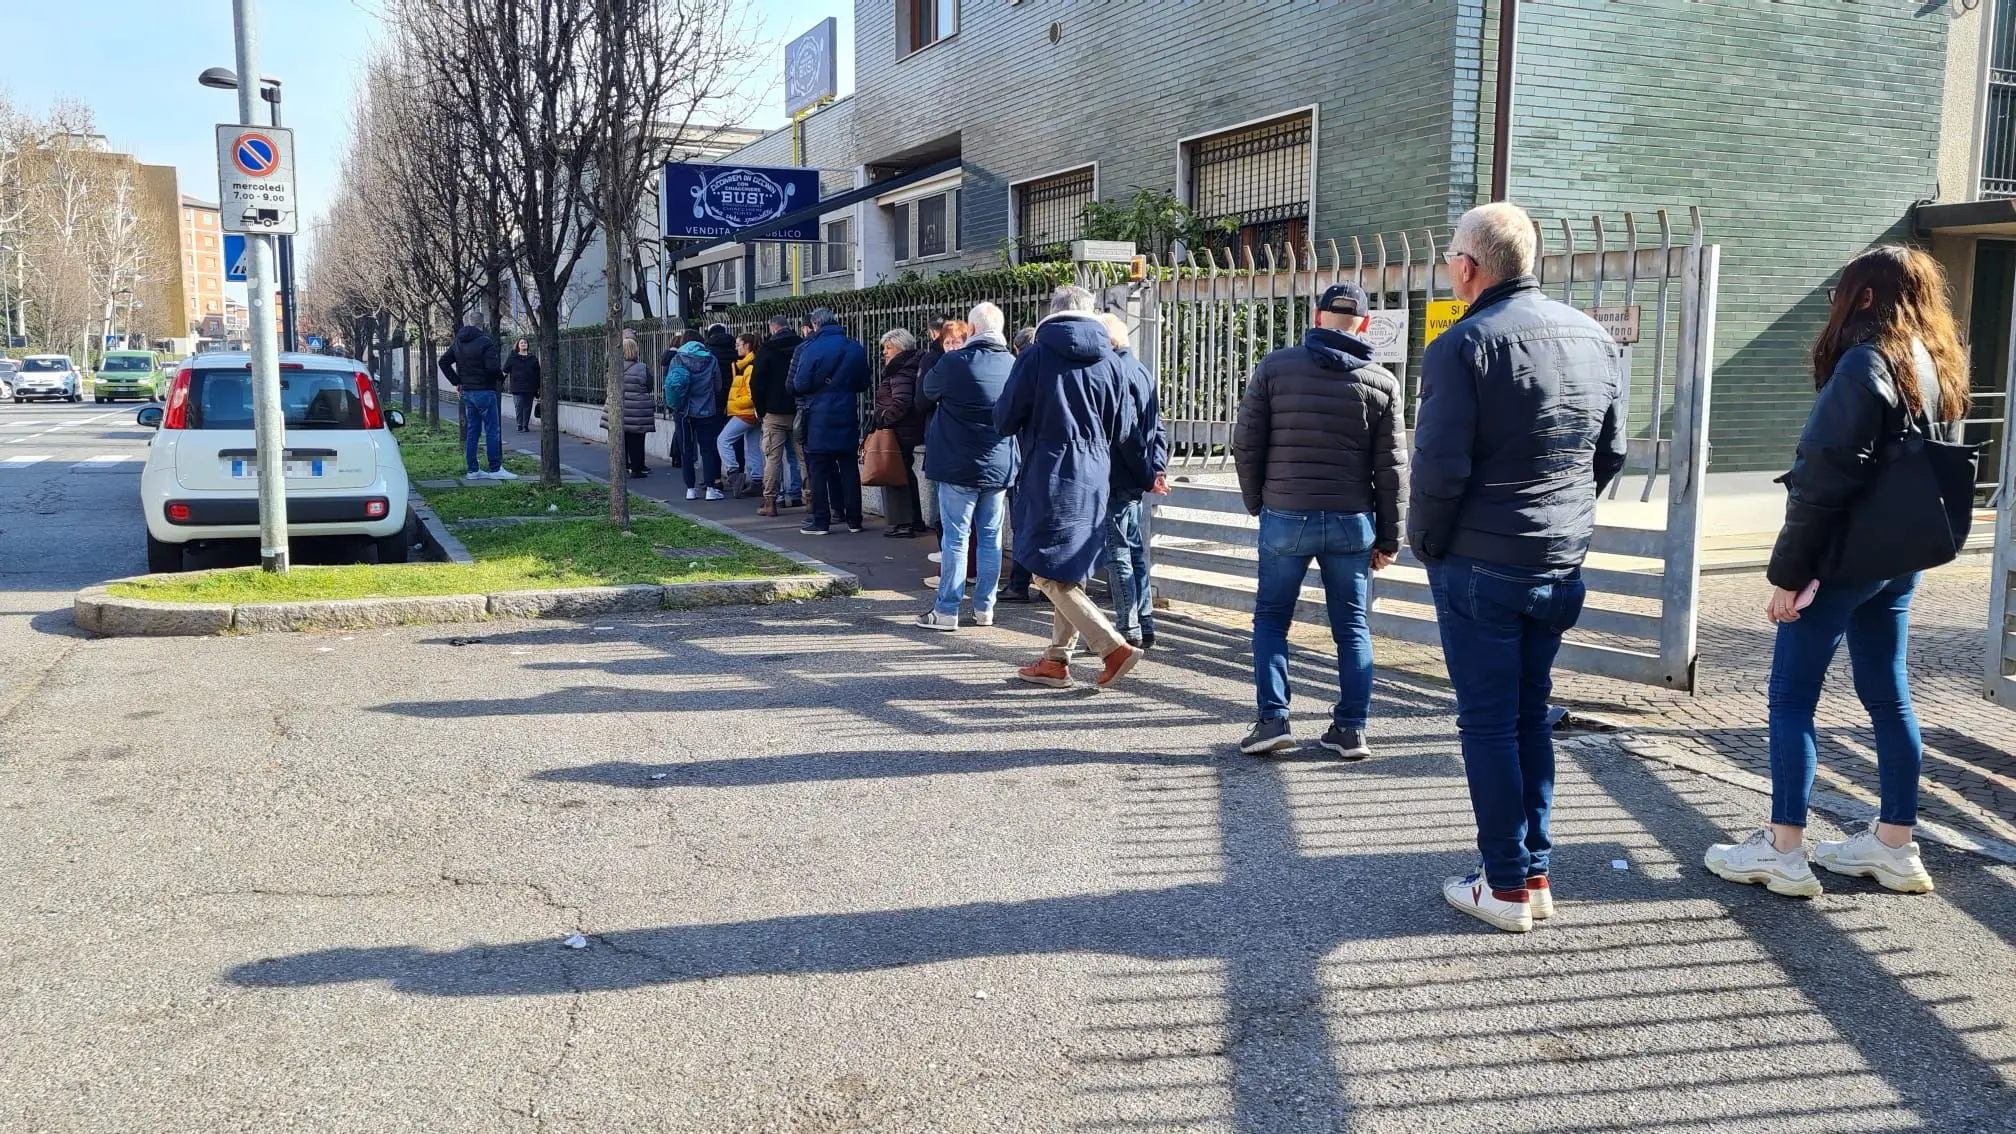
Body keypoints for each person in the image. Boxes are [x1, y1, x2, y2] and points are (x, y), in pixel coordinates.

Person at [1705, 246, 1970, 899]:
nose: (1833, 304)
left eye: (1840, 291)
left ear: (1868, 297)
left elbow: (1824, 478)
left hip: (1846, 557)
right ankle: (1894, 846)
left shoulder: (1864, 363)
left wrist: (1790, 574)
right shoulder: (1933, 364)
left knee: (1792, 696)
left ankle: (1783, 850)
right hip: (1901, 556)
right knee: (1889, 695)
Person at [1411, 201, 1626, 934]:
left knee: (1489, 723)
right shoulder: (1594, 336)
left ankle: (1503, 884)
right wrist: (1563, 521)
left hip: (1481, 561)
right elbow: (1610, 455)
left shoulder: (1463, 344)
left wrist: (1428, 542)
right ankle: (1531, 870)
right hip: (1557, 559)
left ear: (1467, 268)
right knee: (1530, 712)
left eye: (1450, 259)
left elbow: (1438, 468)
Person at [1231, 281, 1407, 760]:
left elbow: (1247, 444)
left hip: (1286, 513)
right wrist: (1390, 537)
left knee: (1271, 618)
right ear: (1366, 323)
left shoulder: (1274, 367)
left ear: (1316, 316)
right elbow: (1391, 469)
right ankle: (1350, 730)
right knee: (1351, 626)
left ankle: (1273, 720)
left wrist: (1258, 502)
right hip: (1352, 521)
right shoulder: (1382, 382)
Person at [996, 285, 1145, 690]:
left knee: (1042, 566)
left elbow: (1005, 418)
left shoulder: (1036, 356)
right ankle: (1056, 660)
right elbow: (1125, 427)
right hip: (1097, 470)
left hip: (1049, 468)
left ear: (1052, 313)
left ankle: (1111, 646)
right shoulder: (1114, 361)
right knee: (1070, 565)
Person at [917, 306, 1014, 631]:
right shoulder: (1013, 364)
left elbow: (928, 391)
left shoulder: (953, 362)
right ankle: (985, 608)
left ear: (971, 329)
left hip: (957, 463)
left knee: (956, 540)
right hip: (999, 462)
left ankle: (946, 611)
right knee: (990, 538)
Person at [1098, 313, 1169, 652]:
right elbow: (1157, 427)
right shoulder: (1140, 369)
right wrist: (1156, 469)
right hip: (1135, 474)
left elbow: (1126, 434)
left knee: (1119, 552)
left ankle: (1128, 628)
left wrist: (1146, 471)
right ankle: (1145, 621)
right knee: (1134, 550)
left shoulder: (1115, 372)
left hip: (1118, 473)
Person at [793, 308, 871, 534]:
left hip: (818, 415)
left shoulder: (811, 348)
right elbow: (863, 383)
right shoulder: (854, 347)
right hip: (846, 412)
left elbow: (800, 384)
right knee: (848, 468)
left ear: (816, 324)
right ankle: (854, 520)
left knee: (818, 469)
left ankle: (821, 521)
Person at [437, 321, 514, 480]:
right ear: (482, 327)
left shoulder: (458, 343)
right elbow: (492, 368)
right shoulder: (485, 342)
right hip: (485, 391)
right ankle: (495, 468)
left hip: (468, 392)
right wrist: (501, 377)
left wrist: (457, 381)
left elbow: (443, 362)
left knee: (473, 431)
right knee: (492, 430)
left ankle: (473, 470)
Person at [874, 328, 929, 538]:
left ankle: (905, 523)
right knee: (904, 473)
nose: (885, 353)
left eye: (889, 348)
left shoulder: (901, 371)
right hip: (906, 429)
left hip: (899, 430)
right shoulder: (909, 367)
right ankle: (913, 521)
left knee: (896, 476)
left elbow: (901, 402)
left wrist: (882, 418)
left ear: (901, 348)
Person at [1000, 325, 1042, 602]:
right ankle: (1047, 586)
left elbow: (1007, 419)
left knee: (1022, 526)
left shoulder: (1021, 372)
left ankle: (1019, 583)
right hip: (1049, 461)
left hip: (1023, 460)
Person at [751, 315, 806, 516]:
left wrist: (761, 408)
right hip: (799, 409)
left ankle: (771, 502)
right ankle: (809, 498)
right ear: (789, 327)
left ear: (772, 329)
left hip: (773, 412)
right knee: (802, 458)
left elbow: (756, 383)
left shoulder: (766, 350)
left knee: (772, 458)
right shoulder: (802, 346)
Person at [667, 335, 726, 500]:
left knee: (686, 449)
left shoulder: (677, 359)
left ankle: (690, 489)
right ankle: (709, 489)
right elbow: (718, 386)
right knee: (707, 449)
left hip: (683, 411)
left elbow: (672, 383)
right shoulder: (711, 359)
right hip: (706, 410)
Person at [719, 332, 763, 497]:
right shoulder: (746, 364)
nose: (736, 347)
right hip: (752, 413)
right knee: (752, 447)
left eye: (738, 344)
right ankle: (757, 480)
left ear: (747, 346)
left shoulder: (749, 366)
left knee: (723, 440)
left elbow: (751, 396)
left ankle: (733, 473)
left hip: (746, 412)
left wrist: (734, 403)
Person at [615, 338, 654, 479]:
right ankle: (637, 468)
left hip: (620, 407)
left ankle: (621, 466)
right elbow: (649, 386)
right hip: (638, 408)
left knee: (621, 439)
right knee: (637, 439)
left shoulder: (615, 367)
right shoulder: (642, 367)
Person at [504, 337, 541, 433]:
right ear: (518, 345)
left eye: (525, 343)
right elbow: (505, 370)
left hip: (530, 386)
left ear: (528, 345)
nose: (523, 344)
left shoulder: (533, 358)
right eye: (521, 343)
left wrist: (539, 387)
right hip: (517, 386)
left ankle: (525, 425)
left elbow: (538, 373)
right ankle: (519, 424)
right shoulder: (513, 358)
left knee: (527, 406)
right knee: (518, 405)